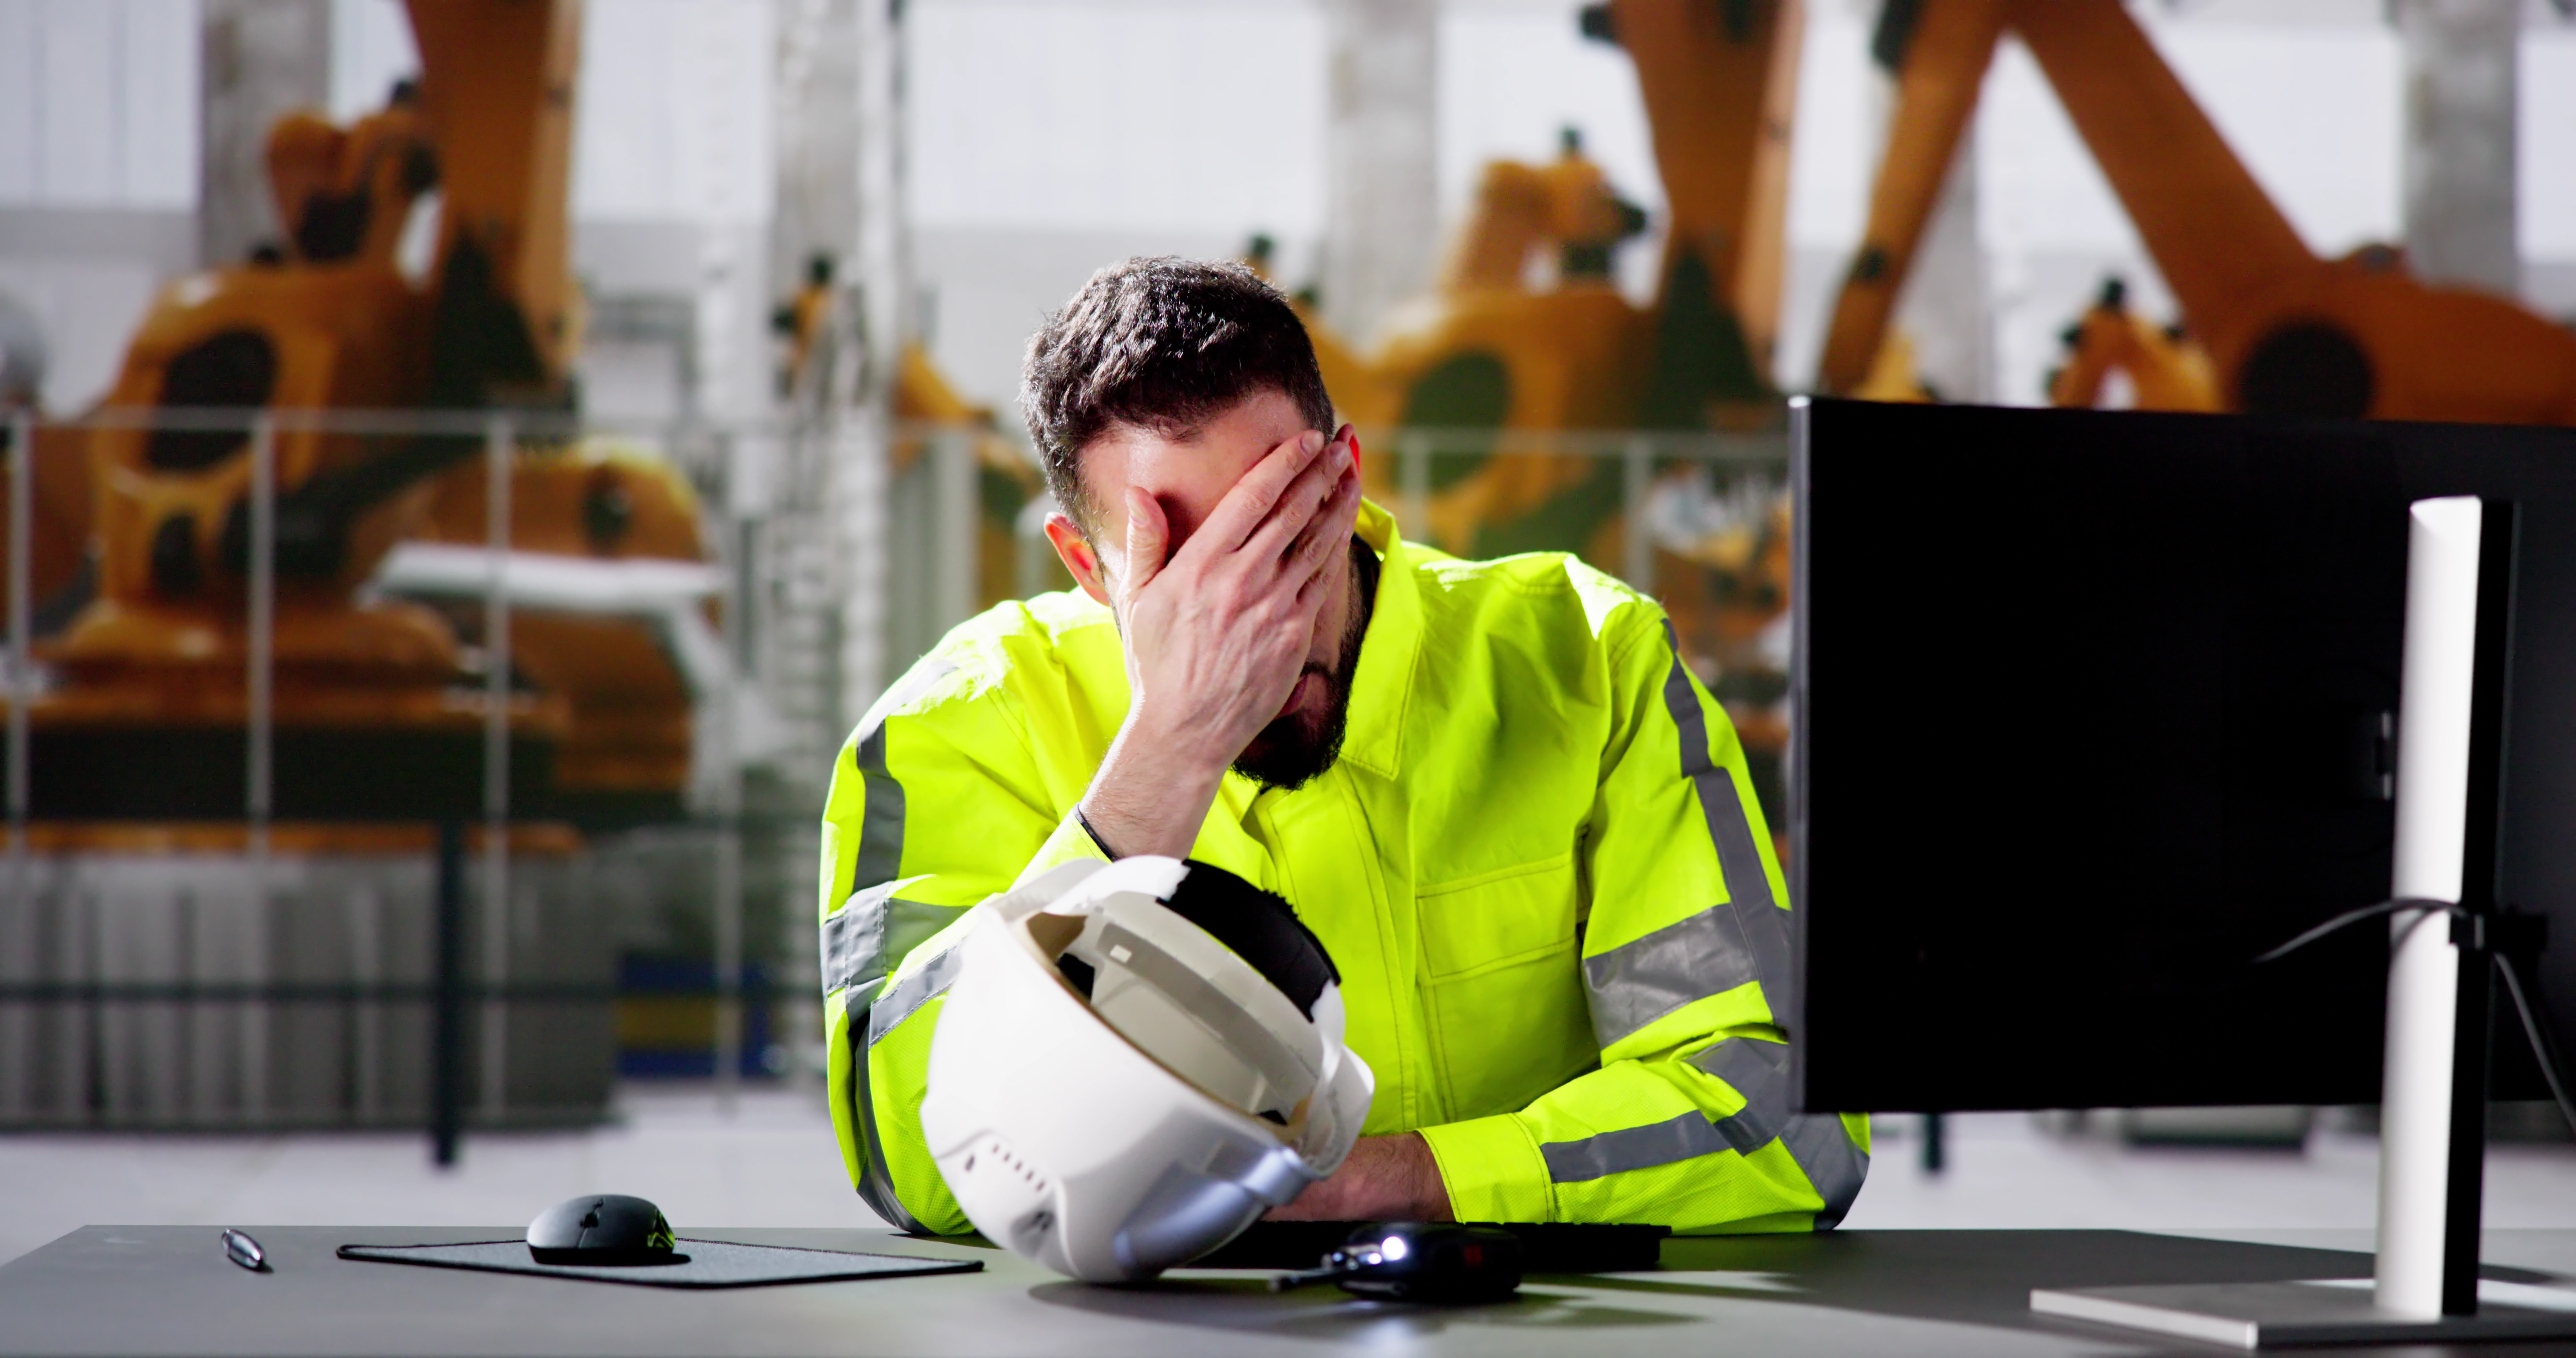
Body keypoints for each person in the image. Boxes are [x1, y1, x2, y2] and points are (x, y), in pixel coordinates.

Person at [819, 257, 1866, 1232]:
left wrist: (1396, 1182)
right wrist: (1166, 761)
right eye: (1186, 575)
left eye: (1279, 540)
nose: (1257, 625)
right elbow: (909, 1163)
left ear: (1348, 478)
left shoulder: (1589, 660)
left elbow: (1781, 1125)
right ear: (1086, 570)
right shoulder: (954, 724)